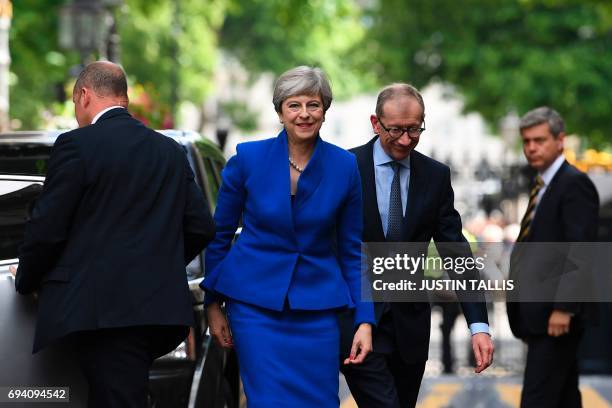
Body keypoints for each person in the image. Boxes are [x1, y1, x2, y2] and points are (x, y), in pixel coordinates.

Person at [14, 61, 215, 408]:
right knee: (121, 391)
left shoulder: (76, 145)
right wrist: (158, 267)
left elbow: (48, 228)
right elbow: (200, 225)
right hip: (156, 312)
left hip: (100, 313)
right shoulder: (167, 150)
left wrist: (26, 279)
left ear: (84, 95)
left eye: (77, 104)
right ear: (124, 98)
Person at [201, 66, 374, 408]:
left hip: (318, 310)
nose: (304, 114)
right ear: (280, 111)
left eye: (314, 104)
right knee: (267, 401)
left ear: (325, 110)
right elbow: (218, 236)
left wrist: (364, 320)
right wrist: (212, 305)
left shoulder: (344, 166)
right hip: (254, 308)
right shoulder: (247, 159)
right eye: (294, 105)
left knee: (321, 401)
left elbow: (353, 251)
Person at [340, 83, 494, 408]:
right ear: (375, 123)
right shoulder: (345, 168)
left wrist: (479, 325)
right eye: (395, 130)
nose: (405, 140)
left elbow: (455, 250)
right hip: (357, 321)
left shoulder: (435, 176)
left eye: (414, 129)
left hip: (410, 327)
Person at [506, 107, 599, 408]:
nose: (531, 148)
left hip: (555, 316)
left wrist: (564, 308)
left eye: (539, 140)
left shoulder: (573, 183)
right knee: (563, 398)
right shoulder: (543, 184)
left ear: (560, 140)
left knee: (537, 398)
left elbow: (581, 249)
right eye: (527, 141)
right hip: (540, 315)